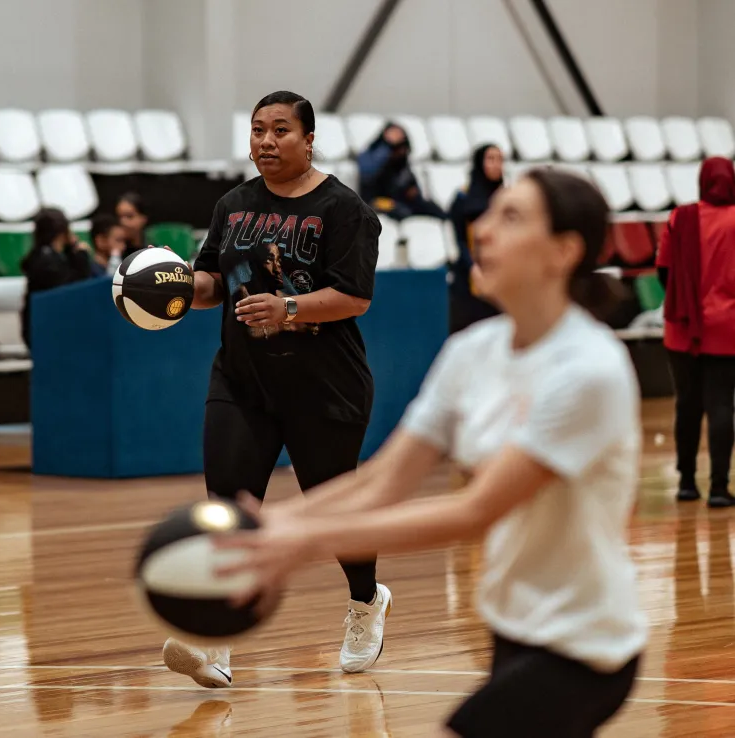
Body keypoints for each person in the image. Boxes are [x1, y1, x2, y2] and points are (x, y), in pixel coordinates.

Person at [217, 169, 647, 737]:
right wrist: (268, 521)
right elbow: (386, 479)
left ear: (564, 251)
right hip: (511, 623)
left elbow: (475, 511)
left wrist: (302, 542)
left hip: (587, 644)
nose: (483, 231)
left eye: (511, 217)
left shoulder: (589, 370)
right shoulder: (471, 352)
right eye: (488, 213)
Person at [161, 90, 391, 689]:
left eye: (281, 130)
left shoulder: (344, 209)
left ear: (309, 139)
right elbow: (214, 279)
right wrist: (178, 289)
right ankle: (217, 639)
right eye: (258, 130)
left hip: (324, 386)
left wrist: (288, 308)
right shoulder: (233, 204)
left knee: (333, 511)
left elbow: (355, 296)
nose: (266, 140)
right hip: (241, 380)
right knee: (231, 509)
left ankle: (367, 601)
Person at [656, 156, 735, 508]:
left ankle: (687, 482)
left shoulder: (680, 217)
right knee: (721, 405)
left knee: (687, 405)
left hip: (683, 329)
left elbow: (663, 272)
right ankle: (719, 487)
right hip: (727, 328)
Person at [449, 144, 505, 333]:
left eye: (500, 160)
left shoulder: (507, 198)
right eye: (491, 159)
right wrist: (473, 267)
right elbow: (459, 239)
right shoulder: (463, 197)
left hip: (501, 274)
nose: (497, 165)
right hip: (468, 277)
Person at [20, 208, 91, 348]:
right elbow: (74, 288)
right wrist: (80, 255)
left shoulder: (41, 257)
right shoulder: (48, 262)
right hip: (49, 330)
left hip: (39, 326)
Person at [358, 123, 446, 220]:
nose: (401, 151)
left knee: (434, 210)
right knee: (401, 211)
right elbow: (369, 175)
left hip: (402, 200)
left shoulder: (402, 164)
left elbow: (411, 187)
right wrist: (388, 145)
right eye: (396, 146)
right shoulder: (373, 156)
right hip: (380, 201)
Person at [115, 192, 149, 257]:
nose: (122, 222)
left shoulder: (153, 251)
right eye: (119, 217)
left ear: (143, 218)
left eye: (129, 216)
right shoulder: (112, 253)